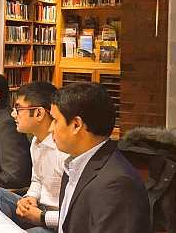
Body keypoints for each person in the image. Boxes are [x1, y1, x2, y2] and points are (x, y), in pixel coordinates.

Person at [50, 83, 150, 233]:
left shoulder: (116, 183)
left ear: (76, 125)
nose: (51, 128)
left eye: (55, 120)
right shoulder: (74, 164)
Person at [0, 81, 67, 232]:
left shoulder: (63, 150)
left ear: (39, 113)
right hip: (38, 208)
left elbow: (74, 213)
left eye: (18, 108)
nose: (13, 114)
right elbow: (37, 180)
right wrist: (30, 197)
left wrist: (41, 216)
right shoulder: (35, 140)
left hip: (56, 221)